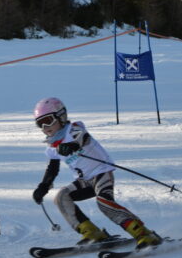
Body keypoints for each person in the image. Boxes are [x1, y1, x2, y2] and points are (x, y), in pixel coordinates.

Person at [32, 97, 162, 248]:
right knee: (61, 197)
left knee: (104, 203)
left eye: (48, 120)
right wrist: (43, 187)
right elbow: (52, 170)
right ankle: (91, 232)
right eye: (40, 123)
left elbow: (82, 138)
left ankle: (144, 234)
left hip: (101, 173)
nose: (45, 126)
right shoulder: (52, 147)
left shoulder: (74, 129)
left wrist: (71, 146)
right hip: (84, 181)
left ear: (61, 116)